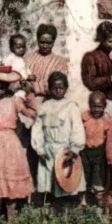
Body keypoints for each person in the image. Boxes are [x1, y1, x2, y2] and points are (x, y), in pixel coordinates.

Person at [0, 66, 37, 222]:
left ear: (8, 85)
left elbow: (34, 113)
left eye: (3, 84)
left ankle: (11, 221)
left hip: (10, 146)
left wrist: (29, 93)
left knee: (11, 182)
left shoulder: (14, 101)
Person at [31, 72, 86, 215]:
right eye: (54, 87)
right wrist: (40, 149)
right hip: (48, 150)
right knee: (50, 182)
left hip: (65, 151)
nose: (57, 90)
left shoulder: (71, 106)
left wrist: (74, 149)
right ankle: (52, 213)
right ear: (49, 88)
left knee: (67, 180)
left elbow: (77, 128)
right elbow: (37, 129)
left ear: (66, 88)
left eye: (61, 87)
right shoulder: (44, 106)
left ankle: (68, 214)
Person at [23, 24, 69, 193]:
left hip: (49, 107)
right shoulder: (28, 58)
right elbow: (22, 79)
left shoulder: (59, 62)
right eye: (42, 42)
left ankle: (48, 190)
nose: (45, 46)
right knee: (29, 148)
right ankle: (30, 190)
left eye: (48, 43)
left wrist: (34, 87)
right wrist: (29, 87)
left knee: (47, 147)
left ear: (54, 42)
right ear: (37, 40)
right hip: (28, 108)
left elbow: (56, 86)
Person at [80, 91, 112, 207]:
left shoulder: (106, 119)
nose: (96, 110)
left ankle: (100, 203)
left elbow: (109, 136)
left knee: (98, 176)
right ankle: (87, 201)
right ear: (89, 105)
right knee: (86, 174)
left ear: (104, 106)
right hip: (86, 151)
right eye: (94, 106)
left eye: (99, 107)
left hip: (99, 151)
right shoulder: (85, 117)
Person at [3, 34, 34, 100]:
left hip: (21, 83)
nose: (22, 49)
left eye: (23, 47)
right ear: (11, 48)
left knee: (25, 92)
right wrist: (26, 77)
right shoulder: (10, 58)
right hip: (13, 83)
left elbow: (25, 69)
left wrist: (30, 74)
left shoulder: (22, 59)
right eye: (18, 47)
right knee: (16, 96)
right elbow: (6, 69)